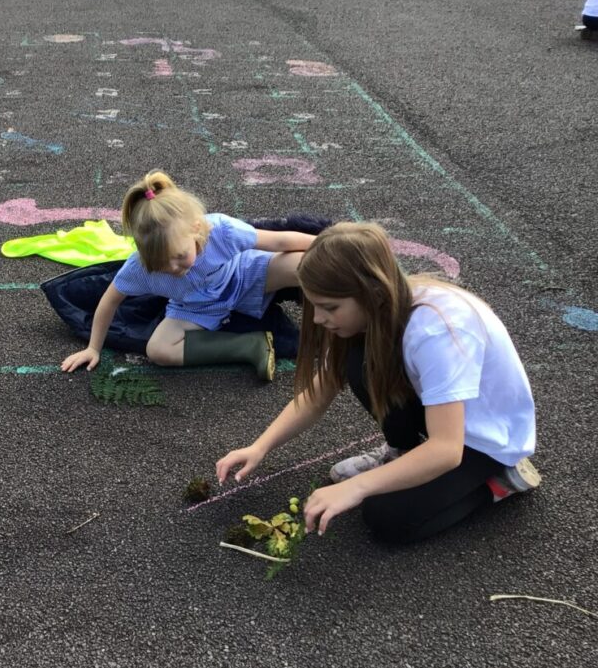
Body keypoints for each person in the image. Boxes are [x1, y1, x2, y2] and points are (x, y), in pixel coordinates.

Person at [215, 222, 539, 544]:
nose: (316, 319)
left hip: (483, 440)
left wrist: (355, 487)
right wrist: (260, 446)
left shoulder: (436, 332)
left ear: (371, 293)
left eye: (329, 307)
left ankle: (500, 482)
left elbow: (446, 449)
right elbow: (318, 392)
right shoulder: (376, 314)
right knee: (357, 361)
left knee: (386, 518)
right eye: (314, 305)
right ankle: (403, 452)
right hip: (444, 418)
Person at [59, 170, 315, 380]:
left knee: (308, 264)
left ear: (196, 229)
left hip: (245, 276)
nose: (173, 267)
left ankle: (330, 316)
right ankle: (249, 345)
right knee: (159, 350)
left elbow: (280, 241)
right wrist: (93, 348)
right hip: (198, 308)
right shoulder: (139, 267)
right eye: (161, 263)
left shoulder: (221, 230)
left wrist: (326, 245)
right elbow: (110, 300)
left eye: (180, 255)